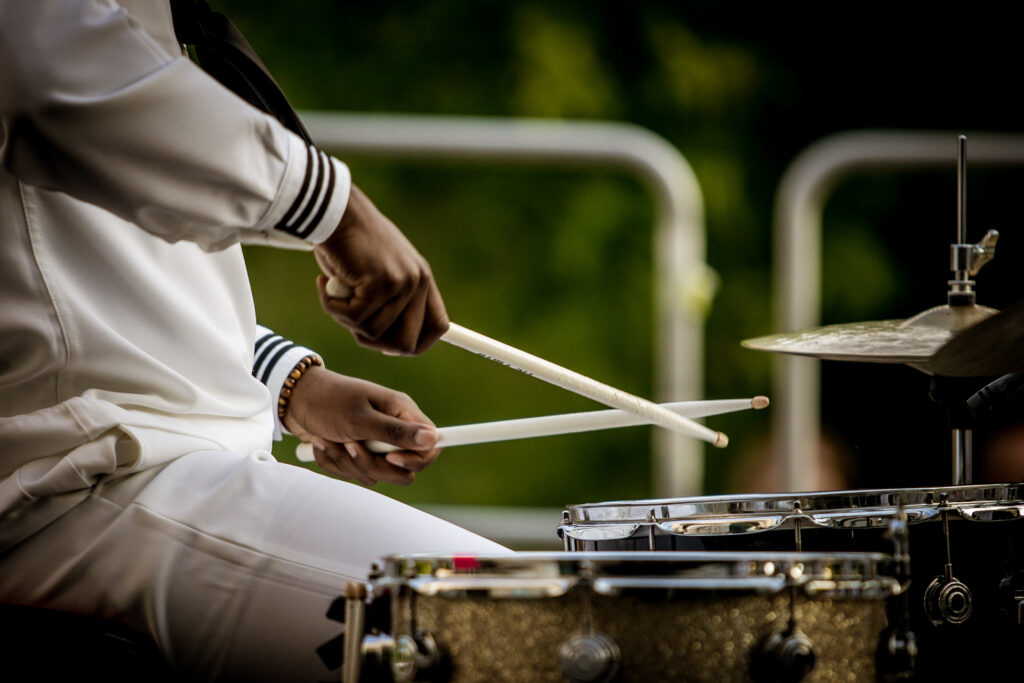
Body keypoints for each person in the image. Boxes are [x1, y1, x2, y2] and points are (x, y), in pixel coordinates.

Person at [0, 1, 508, 680]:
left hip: (140, 464)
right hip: (72, 487)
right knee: (552, 634)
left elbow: (81, 269)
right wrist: (334, 210)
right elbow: (53, 75)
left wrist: (285, 382)